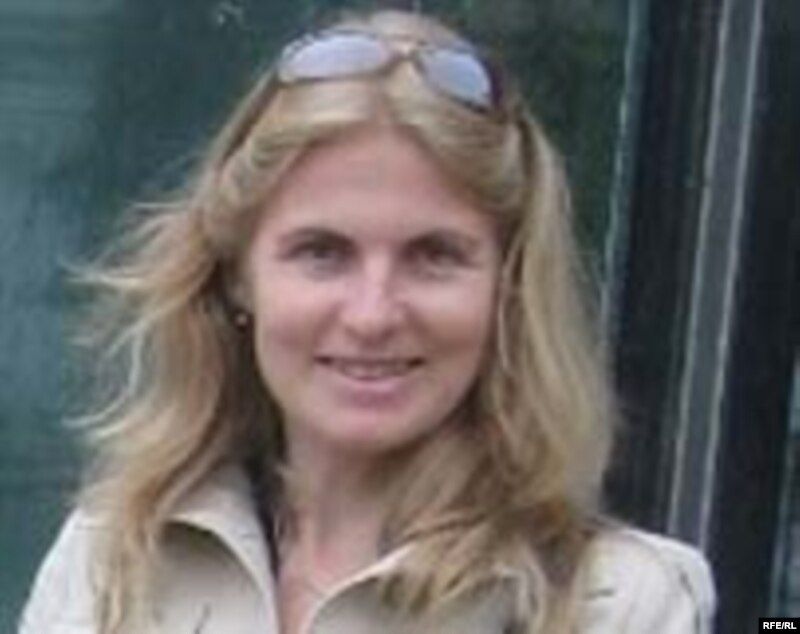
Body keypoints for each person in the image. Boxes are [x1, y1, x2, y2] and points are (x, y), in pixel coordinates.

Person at [18, 9, 714, 634]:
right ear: (238, 274)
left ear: (508, 287)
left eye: (434, 256)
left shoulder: (618, 605)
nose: (373, 314)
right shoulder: (110, 557)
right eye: (322, 253)